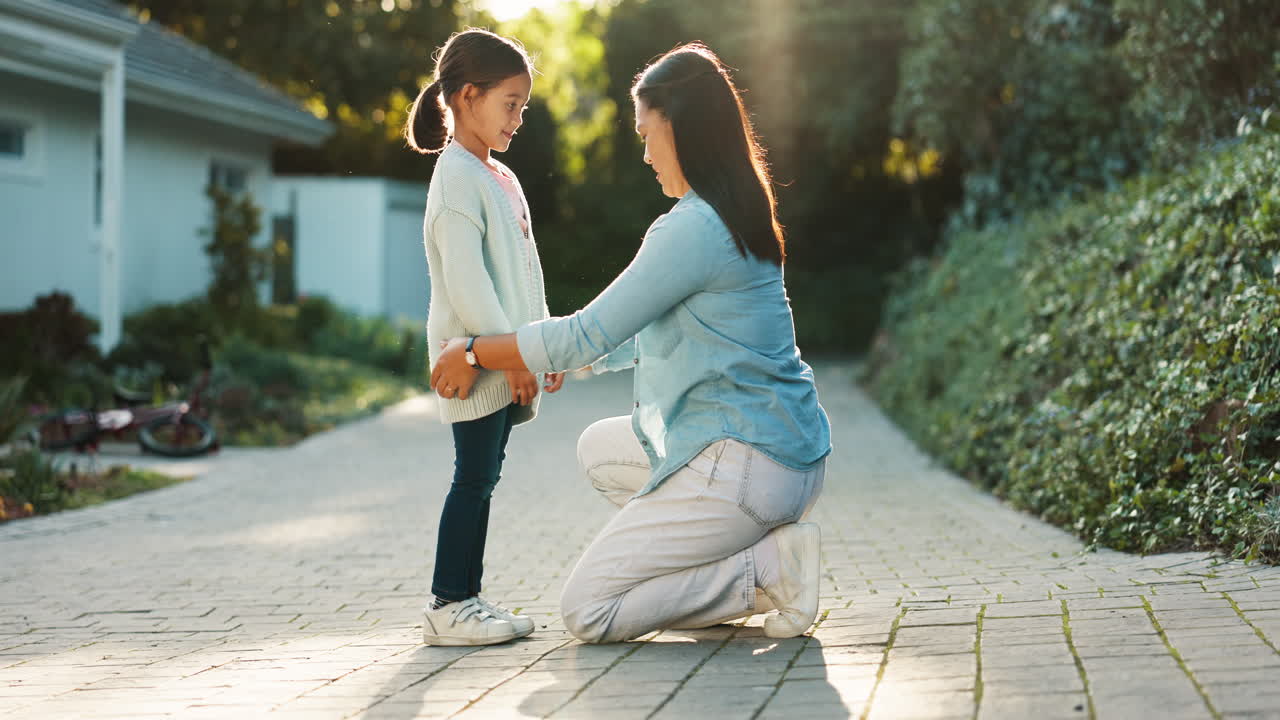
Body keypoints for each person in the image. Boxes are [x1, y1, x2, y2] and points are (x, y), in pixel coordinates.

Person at [429, 43, 831, 643]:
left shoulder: (693, 228)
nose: (644, 154)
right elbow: (629, 334)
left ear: (684, 130)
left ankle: (763, 571)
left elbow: (587, 330)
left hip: (746, 463)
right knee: (600, 449)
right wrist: (574, 358)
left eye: (648, 134)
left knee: (589, 609)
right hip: (787, 456)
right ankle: (733, 550)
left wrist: (472, 353)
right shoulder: (736, 211)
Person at [406, 28, 564, 646]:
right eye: (510, 103)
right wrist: (513, 353)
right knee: (472, 476)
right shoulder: (455, 178)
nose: (518, 118)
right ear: (467, 96)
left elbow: (527, 270)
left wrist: (545, 342)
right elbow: (469, 285)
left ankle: (466, 597)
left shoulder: (499, 177)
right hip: (473, 362)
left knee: (484, 474)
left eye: (523, 106)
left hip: (506, 356)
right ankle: (449, 602)